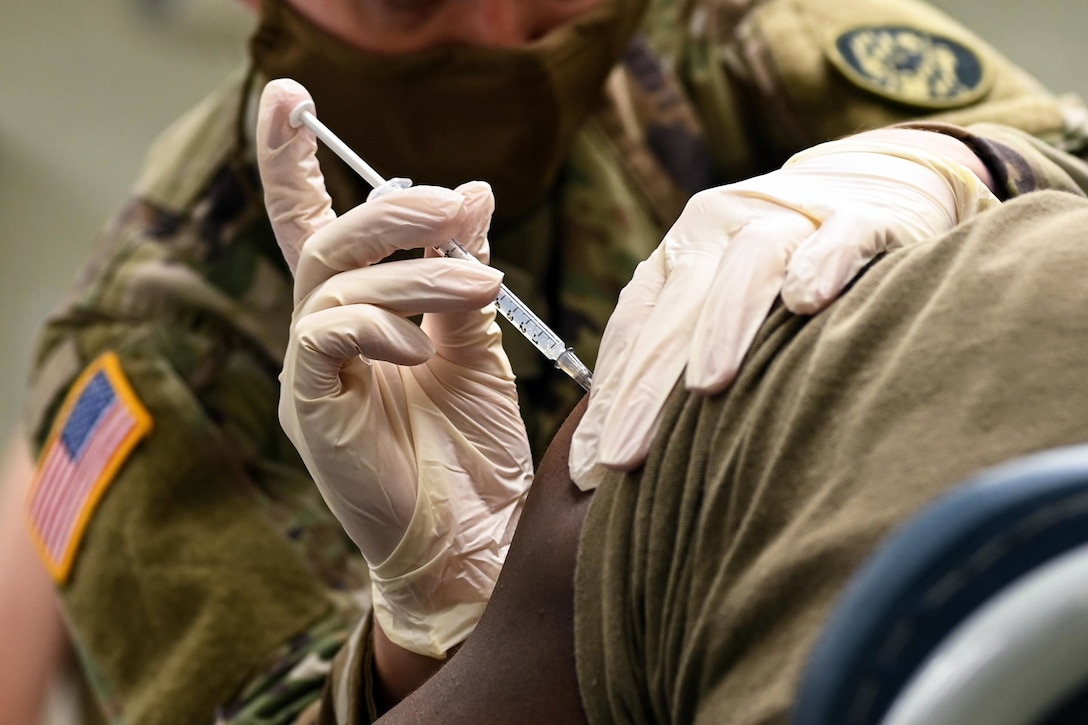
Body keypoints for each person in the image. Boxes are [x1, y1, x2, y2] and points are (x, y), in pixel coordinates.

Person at [13, 0, 1088, 723]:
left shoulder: (718, 37)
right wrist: (431, 634)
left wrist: (958, 159)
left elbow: (1056, 155)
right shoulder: (157, 344)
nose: (495, 28)